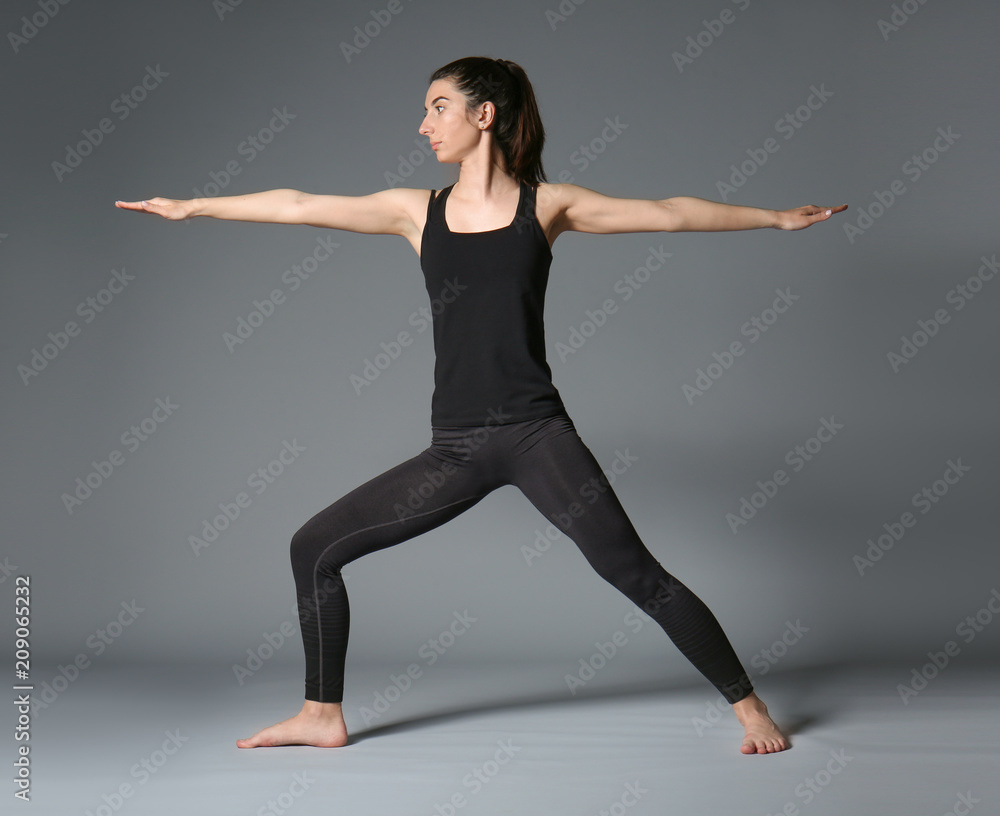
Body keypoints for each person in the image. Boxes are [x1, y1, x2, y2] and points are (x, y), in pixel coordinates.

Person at [117, 56, 846, 754]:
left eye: (438, 107)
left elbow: (669, 213)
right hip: (456, 450)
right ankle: (321, 714)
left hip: (537, 437)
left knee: (637, 575)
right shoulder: (415, 212)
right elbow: (299, 203)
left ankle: (750, 707)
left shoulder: (548, 205)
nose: (425, 124)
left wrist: (777, 219)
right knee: (313, 548)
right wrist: (193, 207)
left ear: (484, 114)